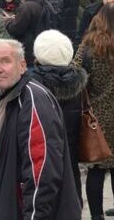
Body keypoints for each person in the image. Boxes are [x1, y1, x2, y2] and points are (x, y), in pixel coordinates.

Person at [0, 39, 81, 219]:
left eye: (5, 61)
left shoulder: (32, 99)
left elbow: (42, 171)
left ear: (22, 66)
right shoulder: (6, 99)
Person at [73, 3, 114, 220]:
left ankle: (96, 215)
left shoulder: (89, 46)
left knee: (96, 168)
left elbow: (76, 75)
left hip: (96, 116)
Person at [29, 30, 85, 200]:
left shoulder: (30, 83)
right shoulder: (77, 81)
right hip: (70, 142)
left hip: (39, 149)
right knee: (71, 172)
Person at [6, 0, 55, 65]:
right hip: (43, 49)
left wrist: (9, 21)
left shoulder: (27, 6)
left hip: (29, 51)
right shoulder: (45, 2)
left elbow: (16, 29)